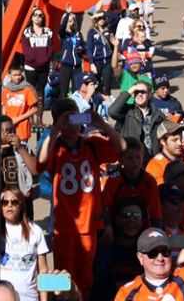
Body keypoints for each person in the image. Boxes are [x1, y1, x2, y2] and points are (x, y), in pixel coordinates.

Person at [38, 99, 123, 297]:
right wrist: (56, 129)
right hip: (63, 226)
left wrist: (101, 124)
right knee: (62, 277)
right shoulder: (54, 145)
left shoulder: (91, 144)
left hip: (89, 225)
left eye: (75, 117)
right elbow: (40, 162)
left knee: (86, 277)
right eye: (66, 119)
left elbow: (121, 147)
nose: (72, 123)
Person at [112, 227, 184, 301]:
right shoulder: (127, 293)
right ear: (140, 257)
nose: (160, 258)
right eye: (152, 253)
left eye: (165, 252)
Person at [0, 187, 49, 301]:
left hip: (29, 297)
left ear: (21, 205)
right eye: (4, 202)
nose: (9, 205)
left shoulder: (36, 231)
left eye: (14, 202)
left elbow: (43, 272)